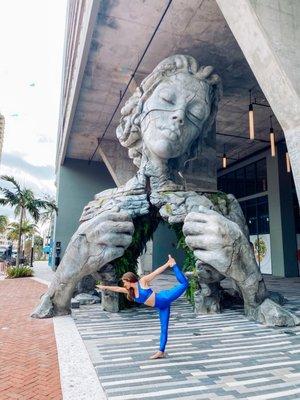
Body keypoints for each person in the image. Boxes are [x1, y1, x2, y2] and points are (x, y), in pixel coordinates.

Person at [97, 254, 189, 359]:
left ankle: (174, 265)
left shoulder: (143, 282)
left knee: (184, 284)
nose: (123, 284)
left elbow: (156, 272)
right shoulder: (129, 291)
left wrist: (168, 264)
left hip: (165, 297)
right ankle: (161, 352)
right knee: (164, 329)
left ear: (129, 280)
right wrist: (104, 287)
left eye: (124, 282)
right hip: (162, 307)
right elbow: (117, 289)